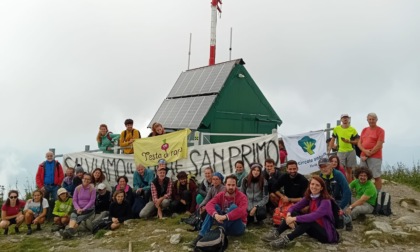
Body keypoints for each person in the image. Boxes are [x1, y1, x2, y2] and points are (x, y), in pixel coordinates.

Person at [262, 176, 339, 248]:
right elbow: (294, 207)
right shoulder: (310, 196)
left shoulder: (326, 201)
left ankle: (286, 239)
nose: (314, 187)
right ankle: (276, 233)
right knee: (294, 213)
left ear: (322, 188)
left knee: (308, 220)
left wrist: (294, 219)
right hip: (313, 229)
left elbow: (314, 216)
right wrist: (289, 216)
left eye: (317, 185)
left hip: (326, 234)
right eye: (312, 184)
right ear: (309, 185)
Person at [191, 174, 248, 247]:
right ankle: (201, 235)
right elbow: (209, 204)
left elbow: (242, 211)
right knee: (214, 206)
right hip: (224, 224)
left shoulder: (242, 196)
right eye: (229, 184)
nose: (231, 187)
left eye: (233, 185)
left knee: (234, 207)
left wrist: (225, 217)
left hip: (237, 227)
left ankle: (218, 231)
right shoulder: (221, 194)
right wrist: (215, 214)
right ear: (225, 184)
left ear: (236, 185)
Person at [318, 157, 353, 231]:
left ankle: (347, 219)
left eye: (326, 166)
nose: (324, 169)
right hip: (328, 200)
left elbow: (347, 192)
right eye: (322, 167)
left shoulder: (338, 175)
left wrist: (340, 207)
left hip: (339, 200)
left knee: (339, 223)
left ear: (330, 165)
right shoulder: (320, 176)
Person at [61, 173, 96, 239]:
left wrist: (84, 209)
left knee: (79, 218)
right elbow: (74, 200)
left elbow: (92, 201)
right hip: (78, 208)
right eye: (85, 179)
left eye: (88, 179)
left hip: (89, 209)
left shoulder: (92, 189)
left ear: (90, 181)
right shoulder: (77, 188)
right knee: (73, 215)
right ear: (82, 179)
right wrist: (78, 208)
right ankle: (70, 231)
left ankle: (68, 232)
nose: (86, 180)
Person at [328, 114, 359, 183]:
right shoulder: (337, 129)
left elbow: (357, 141)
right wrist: (329, 150)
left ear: (349, 119)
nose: (345, 119)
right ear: (341, 120)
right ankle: (340, 184)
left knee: (349, 170)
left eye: (346, 118)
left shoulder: (353, 129)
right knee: (339, 168)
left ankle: (349, 187)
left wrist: (349, 141)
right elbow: (332, 140)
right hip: (341, 151)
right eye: (343, 118)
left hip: (351, 151)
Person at [358, 112, 385, 191]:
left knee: (376, 176)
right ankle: (365, 191)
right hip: (363, 156)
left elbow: (379, 145)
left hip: (375, 157)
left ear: (376, 120)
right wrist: (364, 151)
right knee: (363, 175)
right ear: (367, 120)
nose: (371, 121)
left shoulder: (380, 131)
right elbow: (359, 143)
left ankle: (378, 194)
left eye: (373, 119)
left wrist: (368, 154)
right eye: (369, 119)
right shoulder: (364, 130)